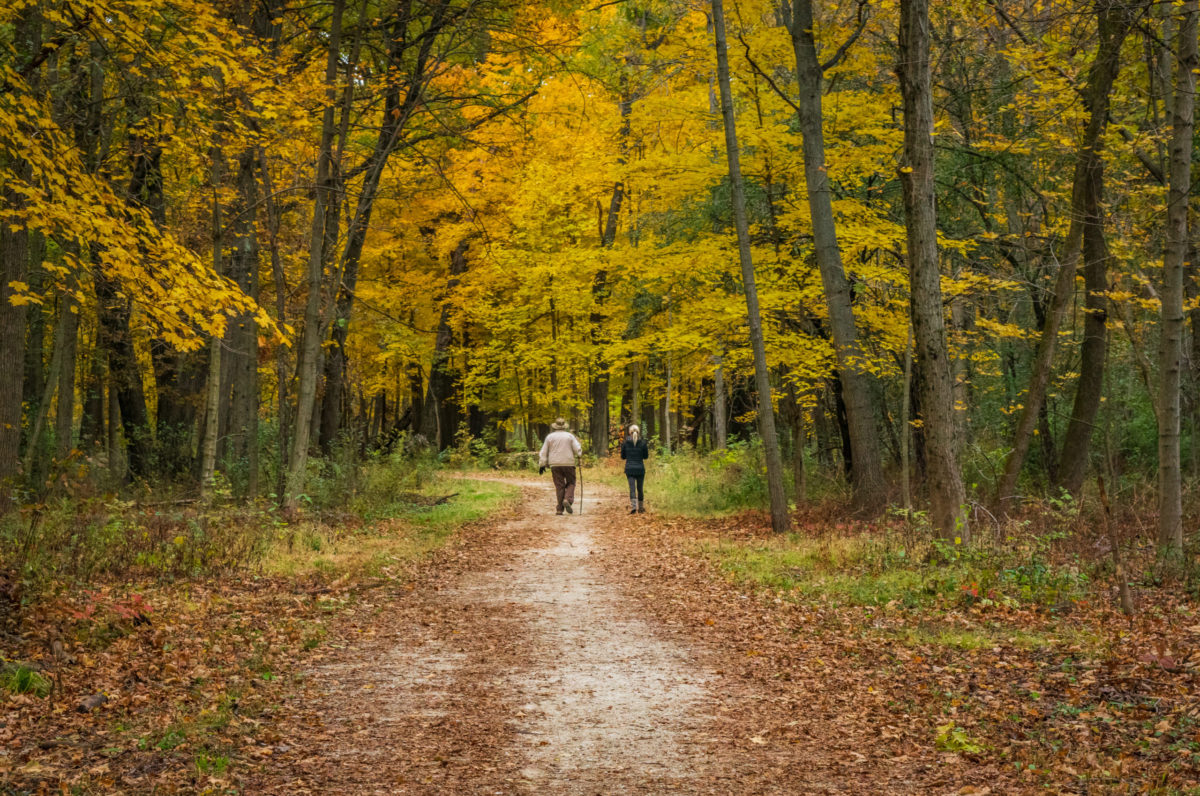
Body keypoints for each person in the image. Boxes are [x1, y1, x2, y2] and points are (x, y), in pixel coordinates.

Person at [538, 418, 582, 515]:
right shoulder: (570, 436)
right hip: (568, 463)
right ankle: (567, 499)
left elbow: (544, 451)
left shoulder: (550, 437)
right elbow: (577, 449)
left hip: (555, 464)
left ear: (555, 426)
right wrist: (579, 455)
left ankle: (559, 509)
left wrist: (542, 464)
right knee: (571, 482)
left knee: (559, 486)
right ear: (564, 426)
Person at [620, 423, 649, 514]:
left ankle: (633, 507)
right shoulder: (643, 443)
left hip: (629, 468)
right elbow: (646, 457)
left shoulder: (625, 443)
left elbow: (623, 457)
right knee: (640, 488)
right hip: (640, 469)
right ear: (638, 432)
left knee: (632, 488)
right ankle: (641, 508)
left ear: (629, 432)